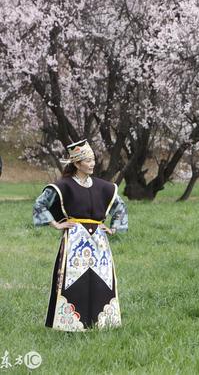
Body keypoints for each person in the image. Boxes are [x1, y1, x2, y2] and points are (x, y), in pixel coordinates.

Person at [32, 139, 128, 331]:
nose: (92, 164)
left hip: (99, 241)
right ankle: (70, 325)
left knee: (102, 280)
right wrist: (55, 224)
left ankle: (102, 323)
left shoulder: (104, 187)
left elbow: (120, 207)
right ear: (76, 164)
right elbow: (39, 204)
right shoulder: (64, 186)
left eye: (93, 159)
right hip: (75, 239)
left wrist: (114, 228)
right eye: (88, 160)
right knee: (74, 279)